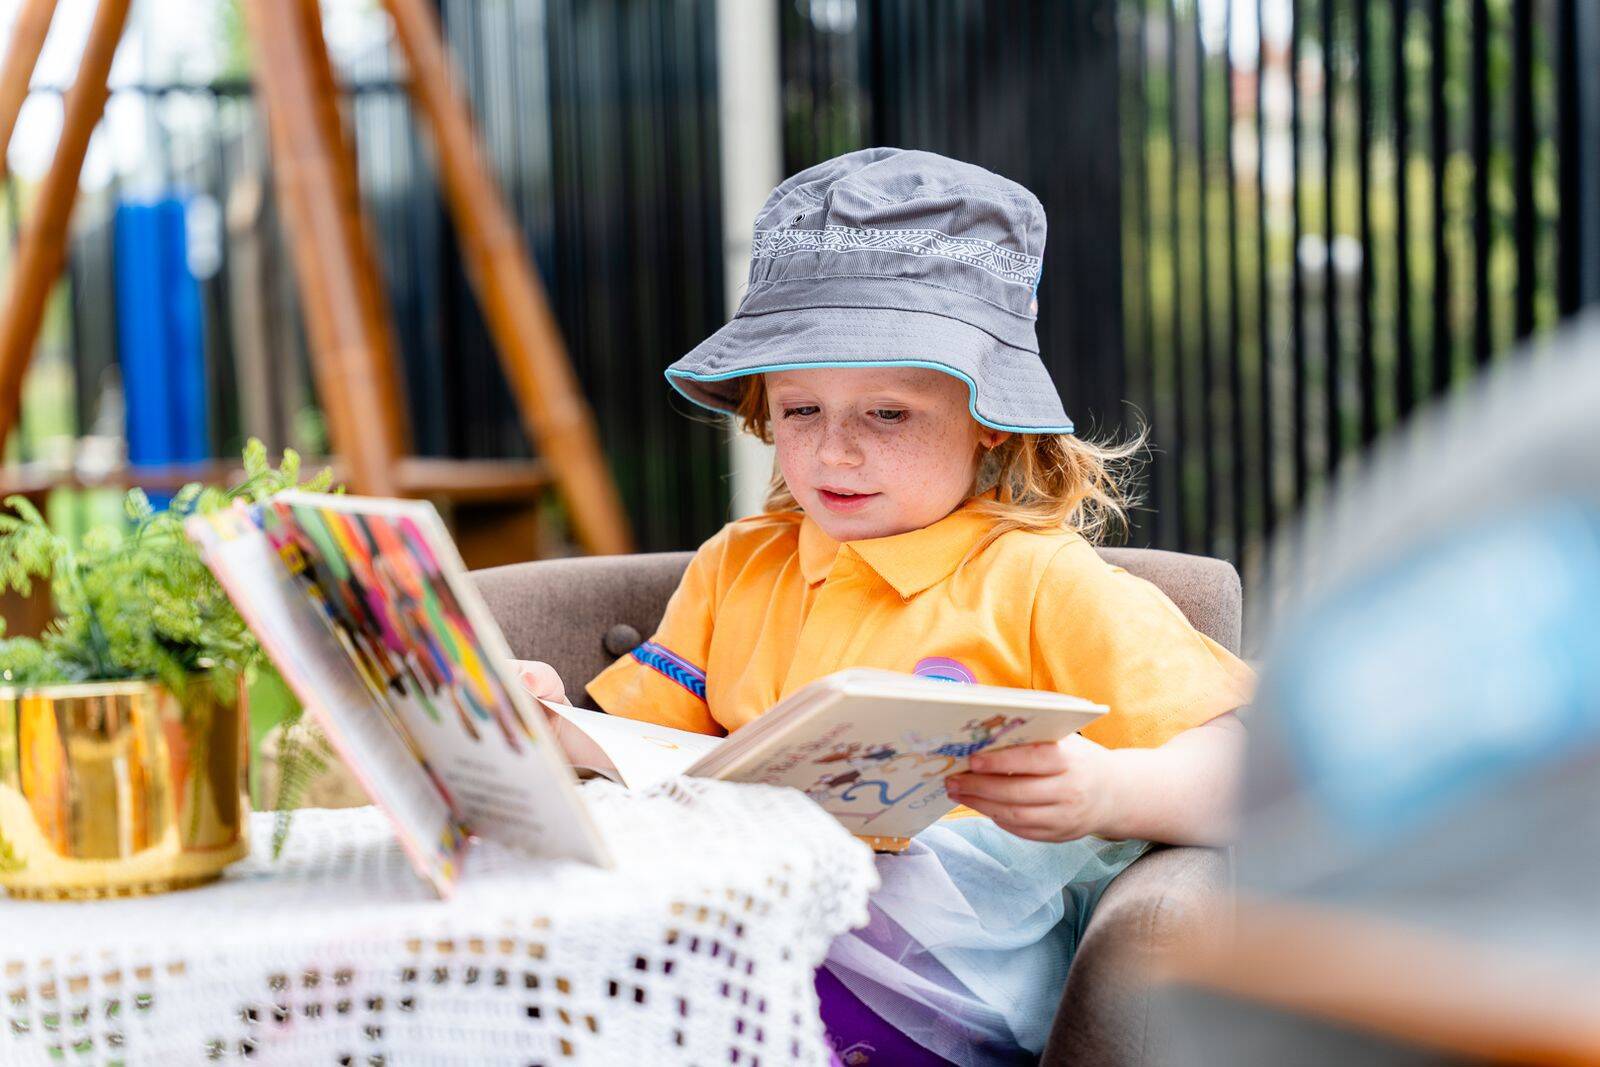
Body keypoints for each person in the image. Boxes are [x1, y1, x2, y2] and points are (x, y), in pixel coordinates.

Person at [519, 148, 1254, 1066]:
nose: (834, 454)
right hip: (714, 942)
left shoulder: (1038, 581)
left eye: (889, 415)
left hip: (928, 995)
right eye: (799, 411)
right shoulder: (740, 563)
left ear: (991, 414)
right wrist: (544, 714)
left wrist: (1107, 790)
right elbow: (633, 746)